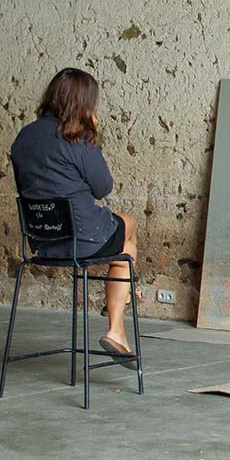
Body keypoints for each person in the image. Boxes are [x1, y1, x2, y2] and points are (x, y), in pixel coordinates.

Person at [11, 67, 138, 366]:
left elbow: (25, 185)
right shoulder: (77, 136)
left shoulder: (24, 136)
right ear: (85, 102)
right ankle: (117, 324)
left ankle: (122, 301)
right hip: (84, 238)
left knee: (122, 229)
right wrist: (93, 135)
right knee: (129, 231)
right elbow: (103, 188)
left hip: (43, 240)